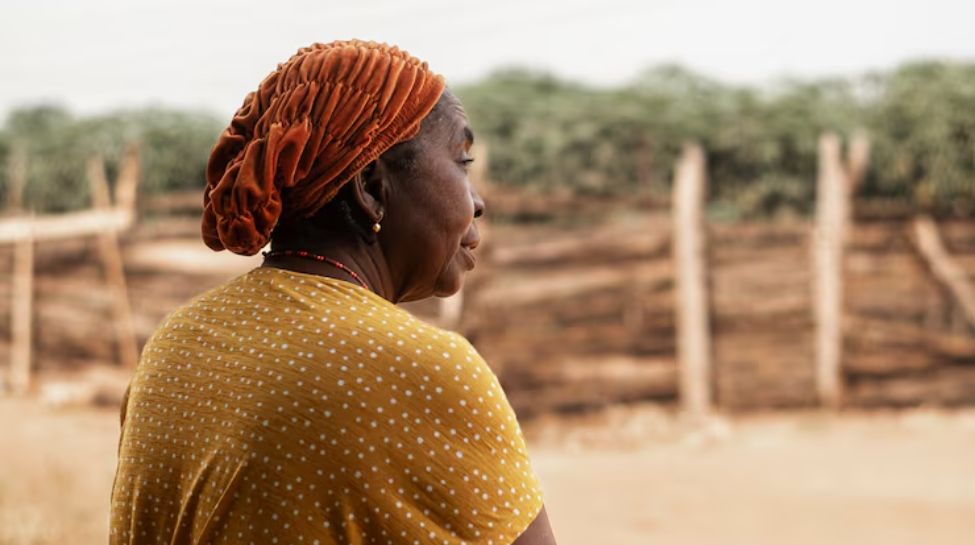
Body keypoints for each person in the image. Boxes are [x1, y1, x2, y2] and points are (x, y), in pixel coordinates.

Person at [109, 39, 558, 545]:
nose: (477, 202)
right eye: (462, 161)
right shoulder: (424, 371)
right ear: (369, 186)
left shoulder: (176, 343)